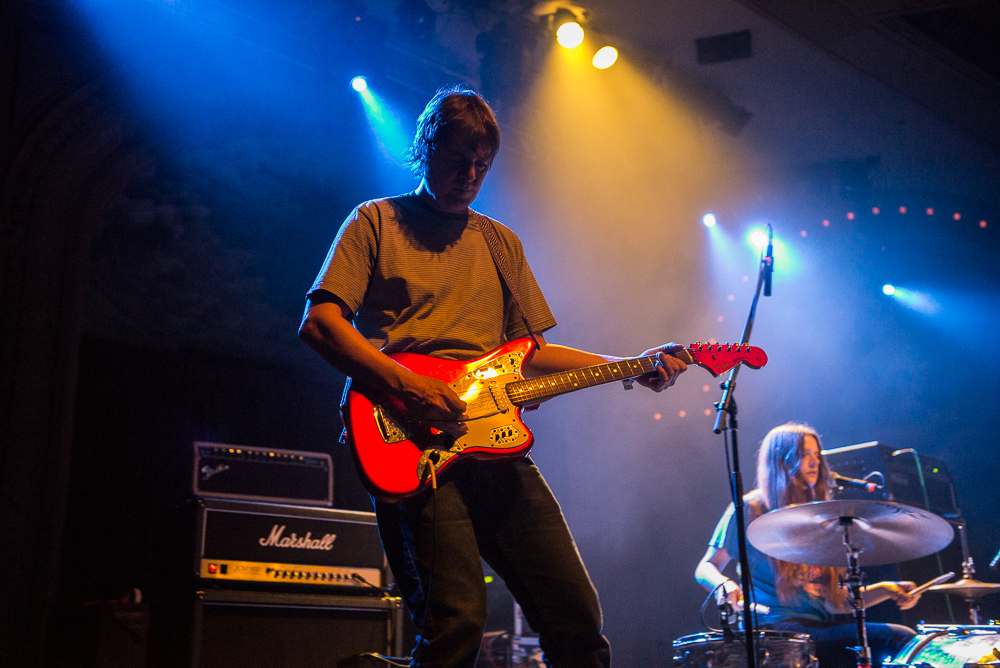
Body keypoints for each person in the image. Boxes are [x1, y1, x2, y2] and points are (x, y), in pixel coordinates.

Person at [299, 85, 688, 668]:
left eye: (483, 164)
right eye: (458, 159)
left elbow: (528, 354)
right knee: (456, 623)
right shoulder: (375, 220)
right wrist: (403, 384)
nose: (471, 173)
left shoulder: (501, 243)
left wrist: (628, 366)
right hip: (410, 441)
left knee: (576, 617)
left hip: (494, 443)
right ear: (426, 149)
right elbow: (321, 322)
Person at [694, 422, 920, 668]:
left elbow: (837, 603)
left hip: (818, 630)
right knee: (899, 638)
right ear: (782, 461)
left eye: (817, 455)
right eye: (804, 455)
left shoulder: (821, 516)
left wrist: (887, 590)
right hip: (776, 631)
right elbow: (705, 567)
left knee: (899, 644)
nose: (815, 463)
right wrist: (724, 585)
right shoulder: (750, 508)